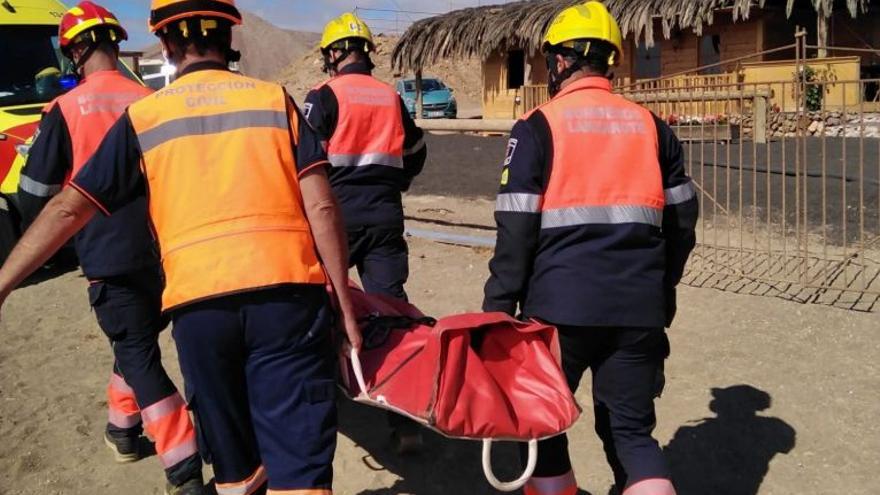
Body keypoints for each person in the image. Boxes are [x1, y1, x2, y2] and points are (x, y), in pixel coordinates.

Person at [0, 0, 361, 493]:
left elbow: (68, 207)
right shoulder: (275, 99)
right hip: (289, 300)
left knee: (235, 469)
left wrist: (4, 282)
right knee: (300, 466)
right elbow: (321, 208)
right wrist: (343, 303)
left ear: (166, 45)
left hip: (199, 309)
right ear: (232, 40)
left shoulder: (145, 116)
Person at [481, 3, 699, 495]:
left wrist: (498, 310)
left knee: (542, 427)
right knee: (631, 433)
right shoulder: (652, 127)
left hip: (558, 313)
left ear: (559, 62)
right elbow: (684, 221)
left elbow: (515, 231)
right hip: (639, 308)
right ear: (611, 61)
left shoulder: (537, 127)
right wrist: (661, 287)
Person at [16, 3, 203, 493]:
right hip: (163, 248)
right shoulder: (148, 98)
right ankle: (121, 432)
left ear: (74, 52)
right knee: (136, 341)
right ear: (115, 44)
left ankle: (183, 468)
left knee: (138, 352)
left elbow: (32, 195)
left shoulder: (64, 109)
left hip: (105, 253)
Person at [304, 12, 427, 454]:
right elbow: (416, 151)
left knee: (321, 308)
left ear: (335, 54)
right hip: (385, 219)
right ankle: (405, 422)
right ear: (367, 54)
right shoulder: (391, 97)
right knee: (391, 315)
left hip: (334, 220)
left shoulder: (323, 96)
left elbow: (302, 158)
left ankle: (322, 402)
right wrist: (393, 182)